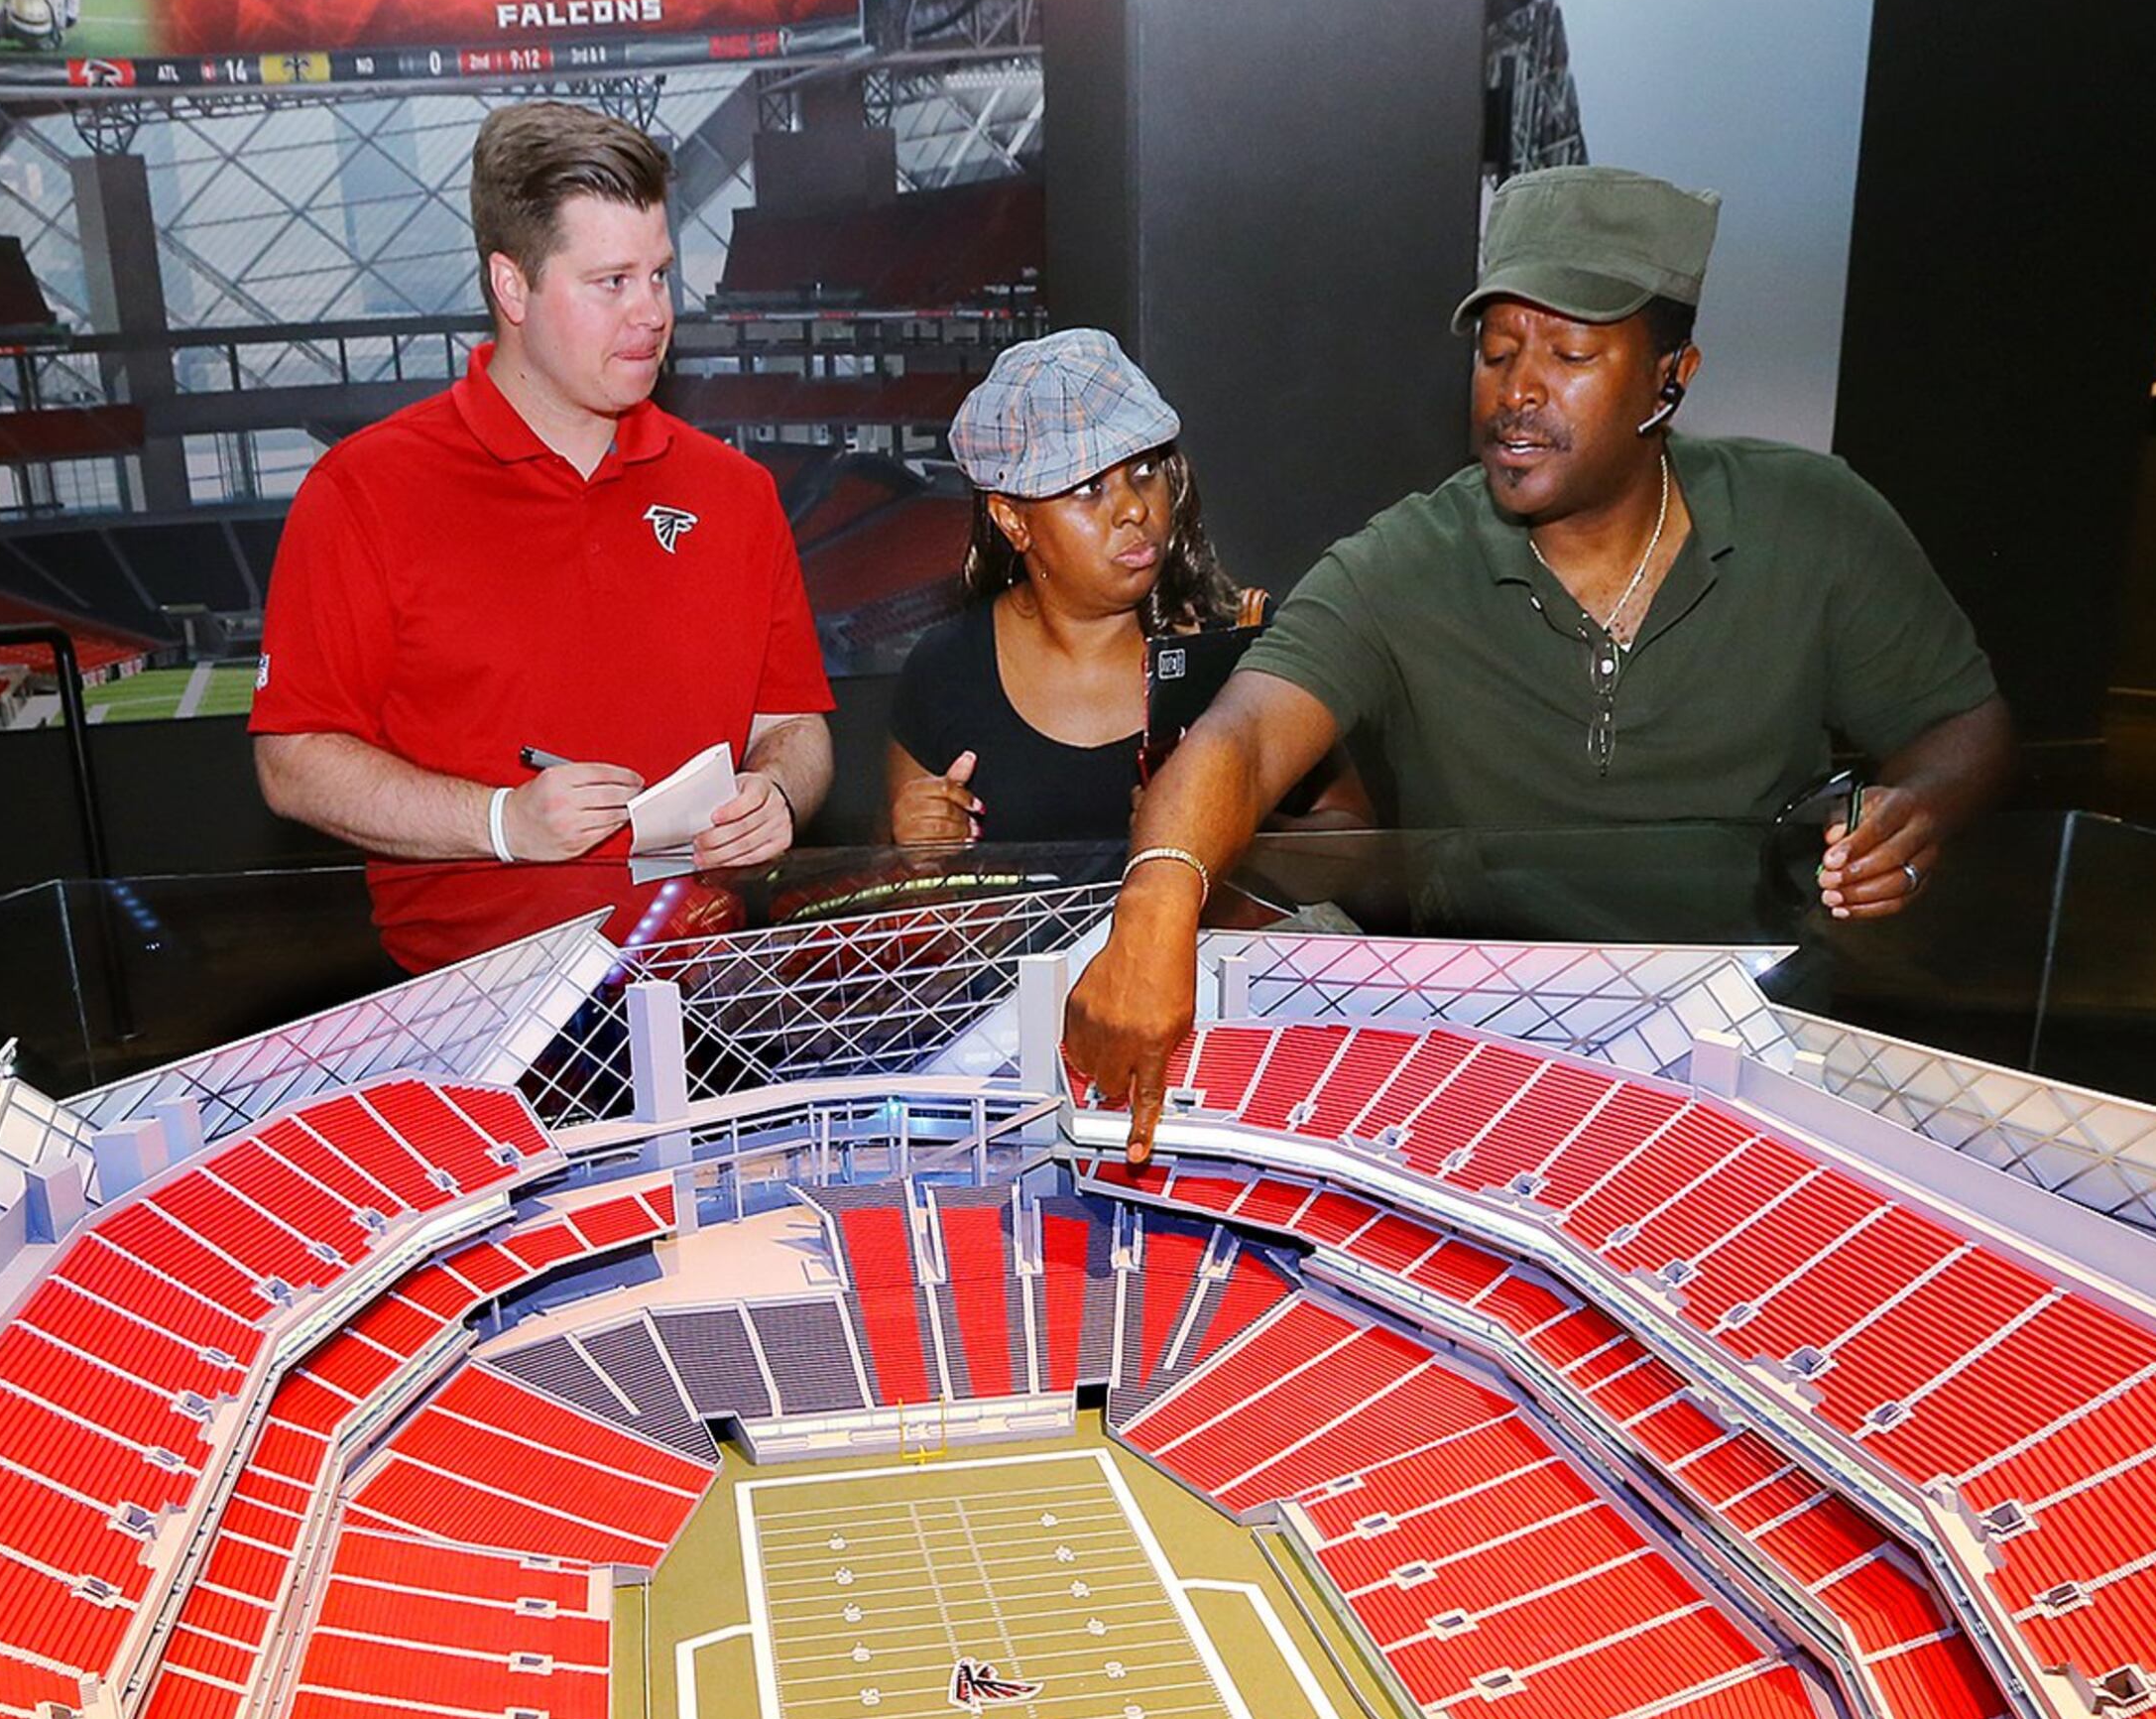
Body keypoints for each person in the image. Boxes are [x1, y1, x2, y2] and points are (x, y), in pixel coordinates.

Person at [1065, 164, 2011, 1153]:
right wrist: (1156, 910)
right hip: (1488, 1047)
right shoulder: (1408, 559)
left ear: (1669, 379)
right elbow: (1247, 734)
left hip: (1751, 1041)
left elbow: (1964, 724)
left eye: (1568, 353)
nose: (1517, 392)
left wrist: (1918, 809)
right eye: (1496, 350)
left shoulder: (1815, 522)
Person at [249, 101, 834, 971]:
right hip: (471, 1014)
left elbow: (795, 724)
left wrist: (777, 792)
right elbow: (293, 760)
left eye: (660, 275)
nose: (652, 314)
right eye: (611, 282)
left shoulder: (736, 494)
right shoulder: (364, 491)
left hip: (713, 997)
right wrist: (501, 823)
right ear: (511, 286)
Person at [889, 331, 1358, 846]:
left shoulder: (1243, 649)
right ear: (1013, 521)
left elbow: (1362, 845)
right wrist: (917, 844)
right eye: (1089, 488)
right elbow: (890, 869)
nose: (1134, 507)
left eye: (1145, 470)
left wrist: (1236, 827)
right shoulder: (945, 670)